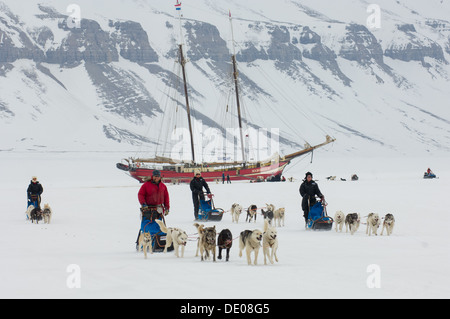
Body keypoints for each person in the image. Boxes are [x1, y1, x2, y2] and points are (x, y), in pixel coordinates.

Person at [137, 170, 170, 250]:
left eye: (158, 176)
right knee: (147, 226)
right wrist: (143, 203)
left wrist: (167, 208)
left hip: (158, 209)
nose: (156, 178)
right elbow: (140, 194)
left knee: (159, 225)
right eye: (155, 176)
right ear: (152, 176)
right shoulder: (146, 185)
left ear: (160, 177)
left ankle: (158, 242)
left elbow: (166, 197)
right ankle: (144, 243)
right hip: (147, 209)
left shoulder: (163, 186)